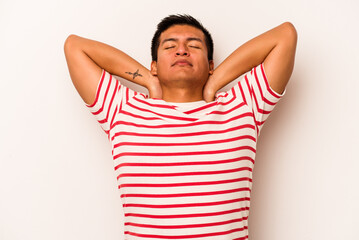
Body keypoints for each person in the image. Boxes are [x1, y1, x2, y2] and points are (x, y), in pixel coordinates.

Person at [64, 14, 297, 240]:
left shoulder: (242, 106)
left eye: (194, 45)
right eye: (169, 46)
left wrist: (214, 82)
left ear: (210, 64)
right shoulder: (122, 109)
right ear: (154, 65)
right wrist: (147, 80)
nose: (182, 50)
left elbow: (285, 35)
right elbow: (75, 47)